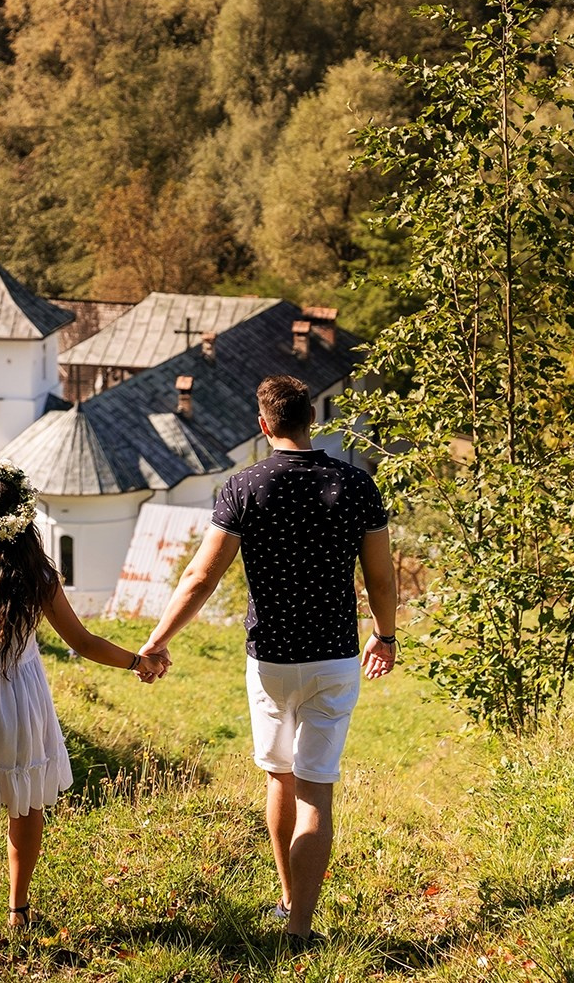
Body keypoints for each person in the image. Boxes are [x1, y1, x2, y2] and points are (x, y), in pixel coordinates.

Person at [139, 374, 398, 953]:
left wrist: (156, 639)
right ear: (312, 421)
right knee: (316, 791)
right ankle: (300, 926)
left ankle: (286, 898)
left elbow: (200, 576)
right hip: (334, 657)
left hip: (270, 659)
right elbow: (380, 578)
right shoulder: (356, 485)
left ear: (265, 425)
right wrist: (385, 637)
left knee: (278, 776)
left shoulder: (243, 486)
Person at [0, 459, 167, 953]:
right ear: (24, 517)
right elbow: (84, 643)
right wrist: (137, 661)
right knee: (25, 805)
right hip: (22, 698)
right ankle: (19, 908)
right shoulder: (37, 576)